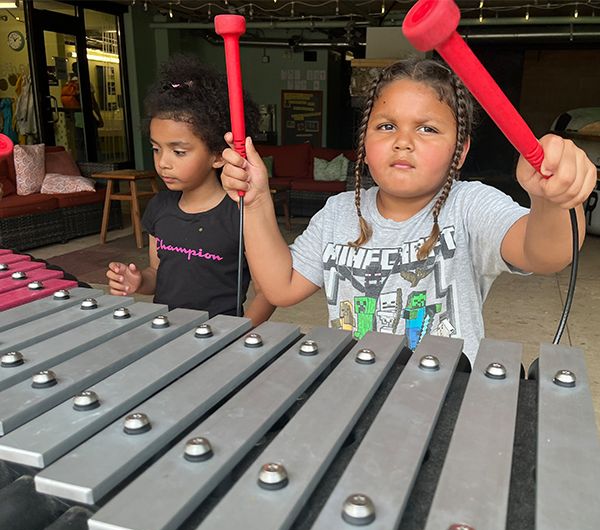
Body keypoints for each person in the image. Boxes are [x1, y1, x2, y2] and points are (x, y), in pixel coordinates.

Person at [220, 57, 596, 362]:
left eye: (428, 129)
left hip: (446, 396)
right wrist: (255, 201)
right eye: (385, 126)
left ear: (460, 151)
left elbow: (546, 254)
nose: (403, 142)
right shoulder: (337, 214)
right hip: (354, 390)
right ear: (364, 145)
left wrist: (554, 198)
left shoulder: (468, 205)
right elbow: (279, 287)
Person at [106, 55, 275, 326]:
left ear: (219, 156)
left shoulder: (241, 214)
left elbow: (269, 292)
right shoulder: (159, 208)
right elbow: (156, 273)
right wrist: (138, 281)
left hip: (219, 342)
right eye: (156, 149)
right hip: (166, 335)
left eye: (179, 151)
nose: (163, 162)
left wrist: (240, 334)